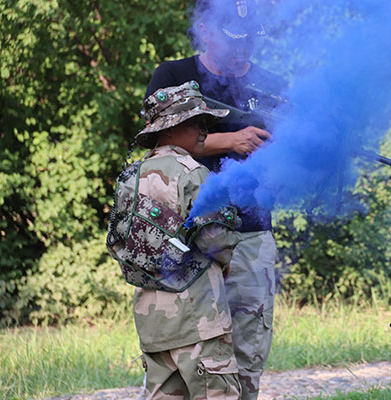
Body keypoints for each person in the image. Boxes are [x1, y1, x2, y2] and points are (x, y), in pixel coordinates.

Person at [144, 1, 283, 398]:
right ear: (205, 30)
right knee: (176, 365)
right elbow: (155, 140)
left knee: (244, 361)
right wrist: (230, 141)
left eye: (251, 37)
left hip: (249, 236)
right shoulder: (173, 76)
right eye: (234, 37)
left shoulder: (272, 85)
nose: (244, 47)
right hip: (181, 239)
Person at [127, 81, 241, 399]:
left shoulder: (133, 176)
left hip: (153, 323)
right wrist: (226, 261)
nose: (204, 129)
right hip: (199, 318)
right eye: (196, 121)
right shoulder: (193, 174)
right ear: (172, 127)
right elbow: (217, 239)